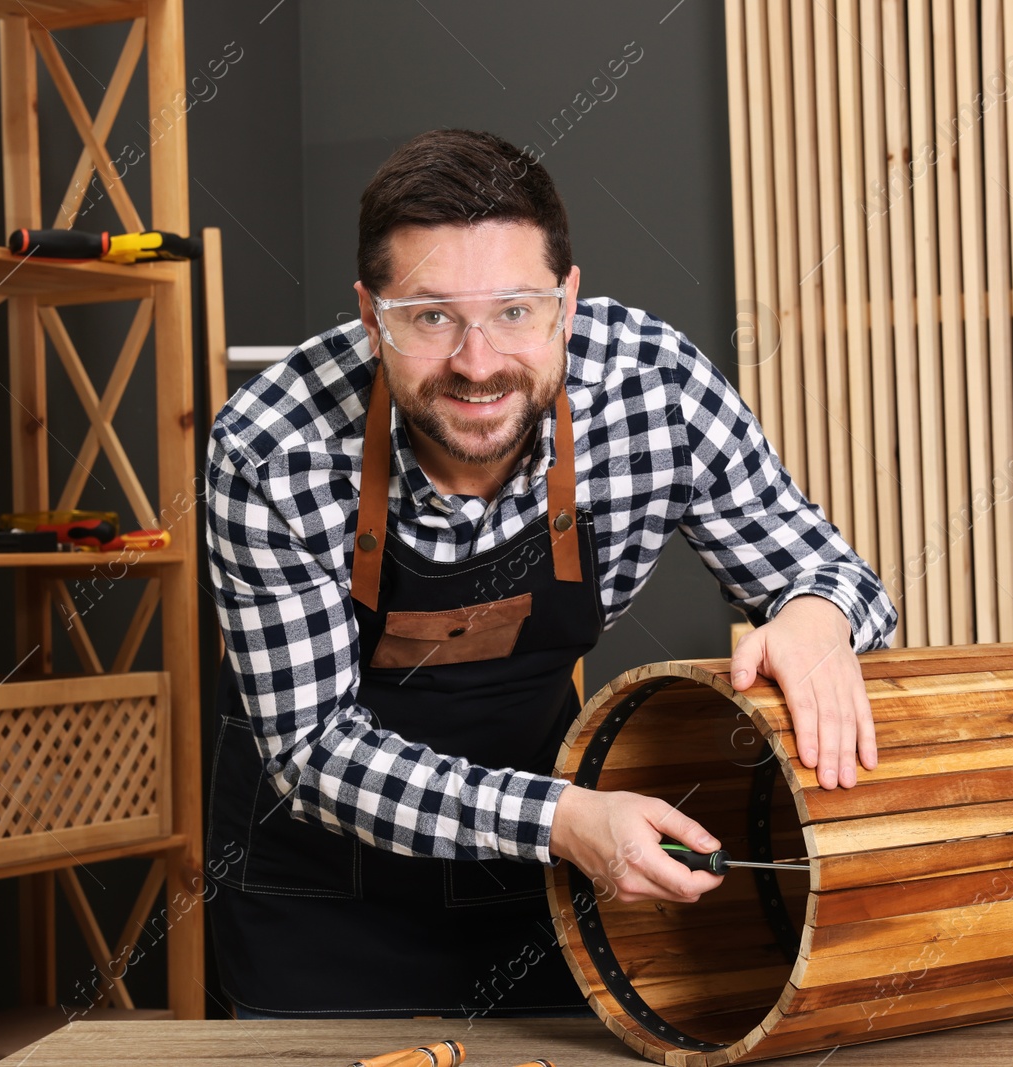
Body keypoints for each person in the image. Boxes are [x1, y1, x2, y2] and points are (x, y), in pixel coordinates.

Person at [204, 128, 897, 1020]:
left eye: (515, 311)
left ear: (568, 301)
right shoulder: (272, 448)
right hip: (315, 894)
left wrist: (815, 615)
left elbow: (829, 570)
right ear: (371, 311)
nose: (478, 361)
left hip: (544, 883)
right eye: (430, 316)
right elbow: (312, 752)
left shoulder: (655, 389)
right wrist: (564, 819)